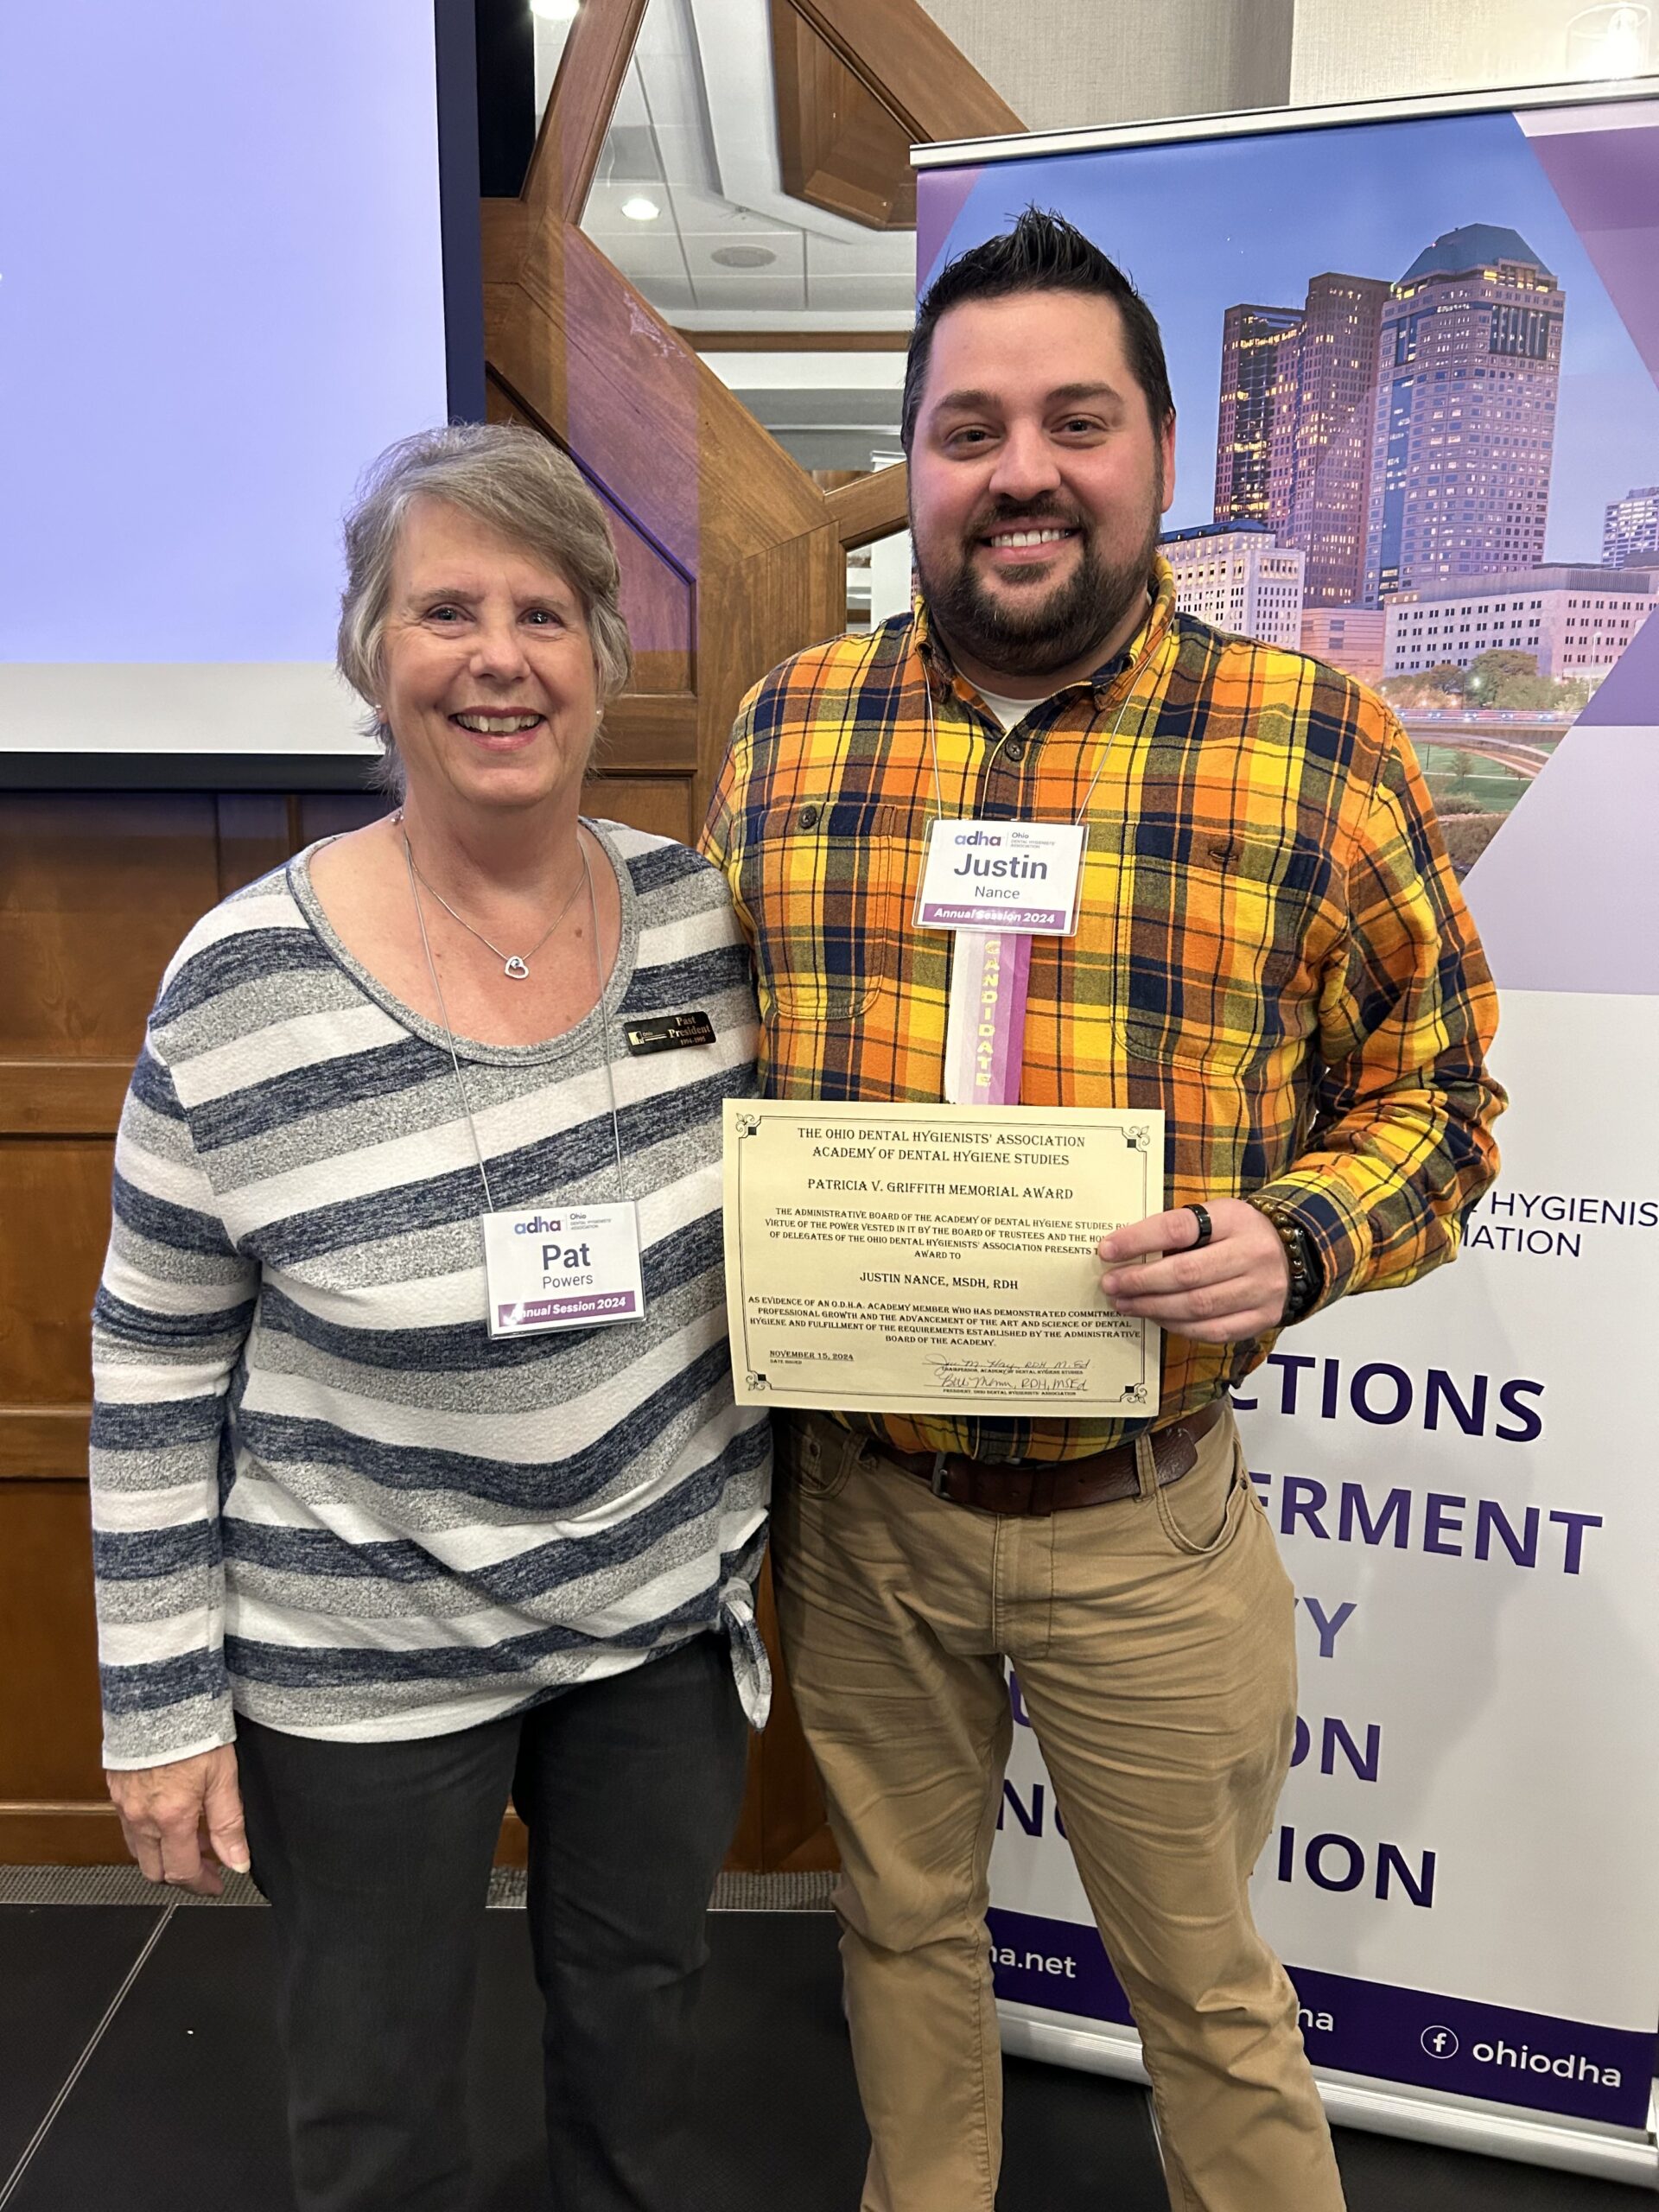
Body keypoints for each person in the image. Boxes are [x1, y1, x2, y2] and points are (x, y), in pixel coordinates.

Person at [702, 210, 1503, 2212]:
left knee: (1209, 1993)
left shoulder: (1316, 739)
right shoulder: (790, 731)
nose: (1022, 470)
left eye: (1075, 419)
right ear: (919, 466)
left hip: (1141, 1518)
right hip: (862, 1514)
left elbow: (1445, 1091)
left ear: (1157, 444)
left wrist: (1298, 1236)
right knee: (897, 1939)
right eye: (968, 429)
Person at [92, 423, 770, 2212]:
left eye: (544, 611)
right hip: (361, 1641)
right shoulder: (237, 979)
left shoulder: (701, 921)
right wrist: (160, 1705)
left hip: (651, 1624)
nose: (497, 655)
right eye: (444, 608)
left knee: (642, 2037)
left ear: (602, 662)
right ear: (369, 652)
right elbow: (153, 1365)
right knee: (379, 2099)